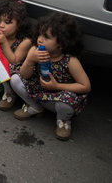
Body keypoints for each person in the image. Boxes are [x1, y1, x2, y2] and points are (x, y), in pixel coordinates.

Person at [10, 12, 91, 141]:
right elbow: (25, 75)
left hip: (57, 97)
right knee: (15, 79)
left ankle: (63, 121)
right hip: (39, 92)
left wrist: (57, 86)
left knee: (67, 103)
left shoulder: (70, 61)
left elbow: (85, 86)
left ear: (61, 44)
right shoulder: (35, 50)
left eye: (46, 37)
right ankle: (35, 107)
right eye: (40, 34)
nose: (40, 39)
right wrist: (30, 60)